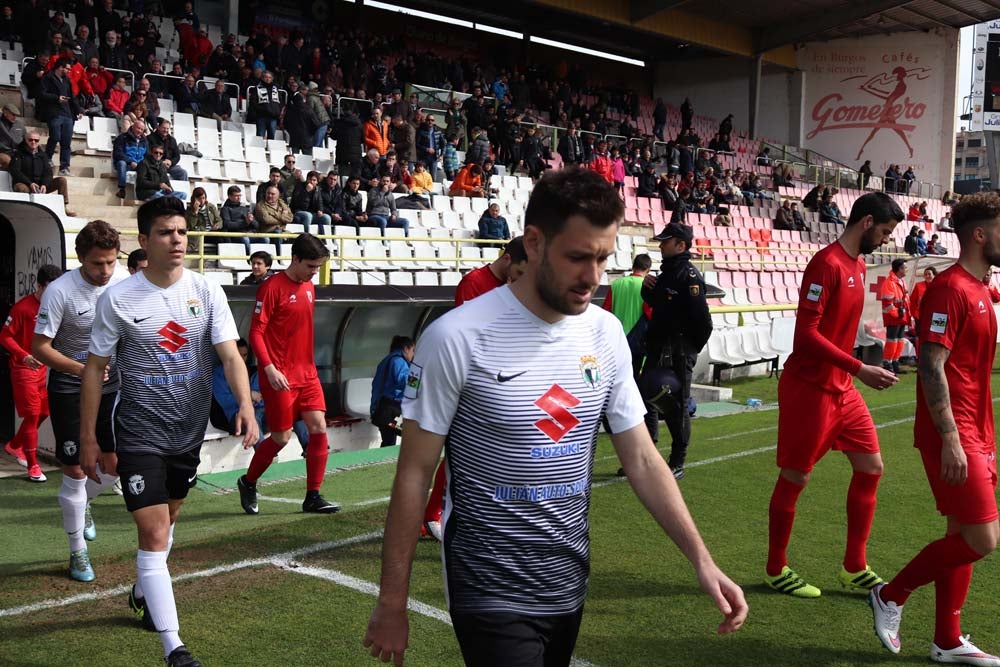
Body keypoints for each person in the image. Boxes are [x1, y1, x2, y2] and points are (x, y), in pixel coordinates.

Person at [363, 167, 747, 666]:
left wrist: (702, 559)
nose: (593, 277)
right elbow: (414, 474)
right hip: (488, 581)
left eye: (603, 258)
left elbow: (644, 460)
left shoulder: (605, 334)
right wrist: (392, 601)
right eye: (578, 258)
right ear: (535, 242)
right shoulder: (456, 337)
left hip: (568, 577)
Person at [80, 198, 255, 667]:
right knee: (155, 531)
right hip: (138, 430)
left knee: (169, 519)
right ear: (144, 241)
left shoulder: (207, 290)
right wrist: (92, 437)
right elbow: (96, 368)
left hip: (187, 432)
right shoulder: (119, 297)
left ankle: (143, 588)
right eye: (165, 232)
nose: (177, 239)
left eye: (181, 231)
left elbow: (231, 355)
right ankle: (173, 647)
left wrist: (244, 404)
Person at [869, 192, 1000, 665]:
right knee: (983, 539)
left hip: (978, 429)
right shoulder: (950, 290)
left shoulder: (982, 287)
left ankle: (946, 639)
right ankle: (892, 594)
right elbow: (930, 363)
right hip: (956, 430)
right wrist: (950, 437)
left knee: (961, 533)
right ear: (980, 235)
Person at [764, 192, 903, 599]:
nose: (886, 240)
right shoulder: (825, 264)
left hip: (842, 388)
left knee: (872, 467)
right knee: (796, 476)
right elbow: (806, 336)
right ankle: (776, 568)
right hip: (811, 388)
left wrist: (854, 370)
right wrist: (860, 368)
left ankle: (854, 566)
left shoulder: (858, 264)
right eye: (884, 231)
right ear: (866, 222)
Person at [32, 221, 127, 582]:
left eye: (111, 263)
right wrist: (82, 368)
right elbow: (39, 348)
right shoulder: (60, 291)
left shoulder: (123, 285)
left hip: (113, 385)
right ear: (80, 259)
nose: (105, 272)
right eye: (97, 264)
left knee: (114, 466)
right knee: (74, 470)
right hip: (70, 387)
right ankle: (77, 552)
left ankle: (84, 503)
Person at [237, 234, 338, 516]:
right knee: (281, 438)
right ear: (295, 259)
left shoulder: (309, 286)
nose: (314, 272)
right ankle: (248, 481)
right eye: (311, 266)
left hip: (307, 373)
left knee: (319, 428)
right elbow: (256, 332)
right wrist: (268, 368)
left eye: (317, 267)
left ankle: (313, 496)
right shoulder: (272, 288)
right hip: (279, 376)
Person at [639, 222, 712, 480]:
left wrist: (688, 350)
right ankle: (646, 456)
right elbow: (660, 307)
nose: (660, 245)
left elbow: (703, 323)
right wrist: (647, 291)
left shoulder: (689, 276)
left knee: (678, 406)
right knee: (648, 398)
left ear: (680, 245)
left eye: (665, 241)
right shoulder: (667, 272)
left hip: (677, 353)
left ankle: (677, 460)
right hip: (658, 347)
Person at [0, 264, 61, 480]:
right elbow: (5, 336)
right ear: (39, 285)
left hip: (43, 368)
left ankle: (15, 444)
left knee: (44, 412)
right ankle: (33, 466)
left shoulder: (53, 306)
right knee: (33, 414)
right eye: (49, 289)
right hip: (23, 368)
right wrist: (23, 355)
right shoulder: (22, 308)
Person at [10, 130, 77, 216]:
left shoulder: (43, 155)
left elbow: (48, 173)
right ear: (25, 140)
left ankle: (64, 208)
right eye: (30, 140)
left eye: (36, 140)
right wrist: (30, 183)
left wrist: (45, 184)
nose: (33, 142)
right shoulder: (18, 153)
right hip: (26, 184)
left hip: (40, 187)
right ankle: (24, 211)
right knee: (21, 188)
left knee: (62, 180)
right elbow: (16, 172)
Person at [38, 57, 82, 176]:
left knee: (66, 142)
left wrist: (79, 110)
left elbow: (72, 96)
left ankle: (64, 167)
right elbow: (42, 94)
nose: (69, 71)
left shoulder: (67, 80)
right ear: (60, 67)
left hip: (67, 114)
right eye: (67, 68)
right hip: (54, 112)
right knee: (55, 136)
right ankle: (47, 158)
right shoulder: (47, 78)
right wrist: (56, 98)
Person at [369, 336, 415, 448]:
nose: (413, 355)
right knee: (411, 437)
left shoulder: (387, 360)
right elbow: (405, 381)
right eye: (413, 350)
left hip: (382, 407)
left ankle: (383, 462)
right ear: (405, 348)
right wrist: (421, 383)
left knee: (388, 441)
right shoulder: (398, 361)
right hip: (389, 410)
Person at [878, 258, 909, 375]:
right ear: (899, 269)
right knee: (892, 339)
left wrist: (905, 313)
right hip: (894, 316)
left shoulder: (900, 281)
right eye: (905, 267)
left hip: (901, 315)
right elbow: (887, 303)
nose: (906, 269)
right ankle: (887, 363)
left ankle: (895, 362)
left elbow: (904, 299)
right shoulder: (889, 283)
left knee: (900, 339)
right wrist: (897, 314)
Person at [113, 119, 148, 199]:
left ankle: (144, 193)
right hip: (127, 164)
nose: (139, 131)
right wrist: (130, 162)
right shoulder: (122, 137)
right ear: (132, 127)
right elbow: (118, 153)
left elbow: (147, 155)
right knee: (121, 163)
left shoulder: (145, 141)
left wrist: (142, 164)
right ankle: (122, 189)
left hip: (140, 165)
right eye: (138, 128)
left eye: (142, 129)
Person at [290, 170, 332, 236]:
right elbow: (296, 203)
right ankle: (307, 238)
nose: (311, 182)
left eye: (314, 180)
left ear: (317, 182)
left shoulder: (318, 190)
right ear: (306, 180)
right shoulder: (299, 187)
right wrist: (306, 192)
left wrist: (320, 210)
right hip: (299, 212)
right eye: (309, 179)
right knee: (308, 215)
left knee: (326, 218)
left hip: (312, 213)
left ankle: (324, 239)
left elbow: (320, 201)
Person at [147, 119, 189, 184]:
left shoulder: (172, 140)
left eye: (167, 128)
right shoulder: (150, 138)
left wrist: (171, 162)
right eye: (164, 128)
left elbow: (177, 156)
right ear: (158, 127)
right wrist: (161, 162)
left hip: (170, 166)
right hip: (156, 165)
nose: (165, 130)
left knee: (183, 173)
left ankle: (181, 192)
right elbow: (148, 154)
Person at [909, 266, 936, 334]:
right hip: (920, 316)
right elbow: (912, 300)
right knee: (919, 334)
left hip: (935, 316)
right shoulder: (918, 285)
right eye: (925, 274)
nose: (927, 276)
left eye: (929, 274)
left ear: (934, 275)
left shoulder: (940, 286)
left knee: (935, 335)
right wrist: (913, 314)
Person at [0, 103, 27, 170]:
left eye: (16, 115)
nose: (15, 117)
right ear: (5, 113)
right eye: (13, 114)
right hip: (3, 152)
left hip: (17, 153)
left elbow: (26, 140)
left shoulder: (20, 125)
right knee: (8, 160)